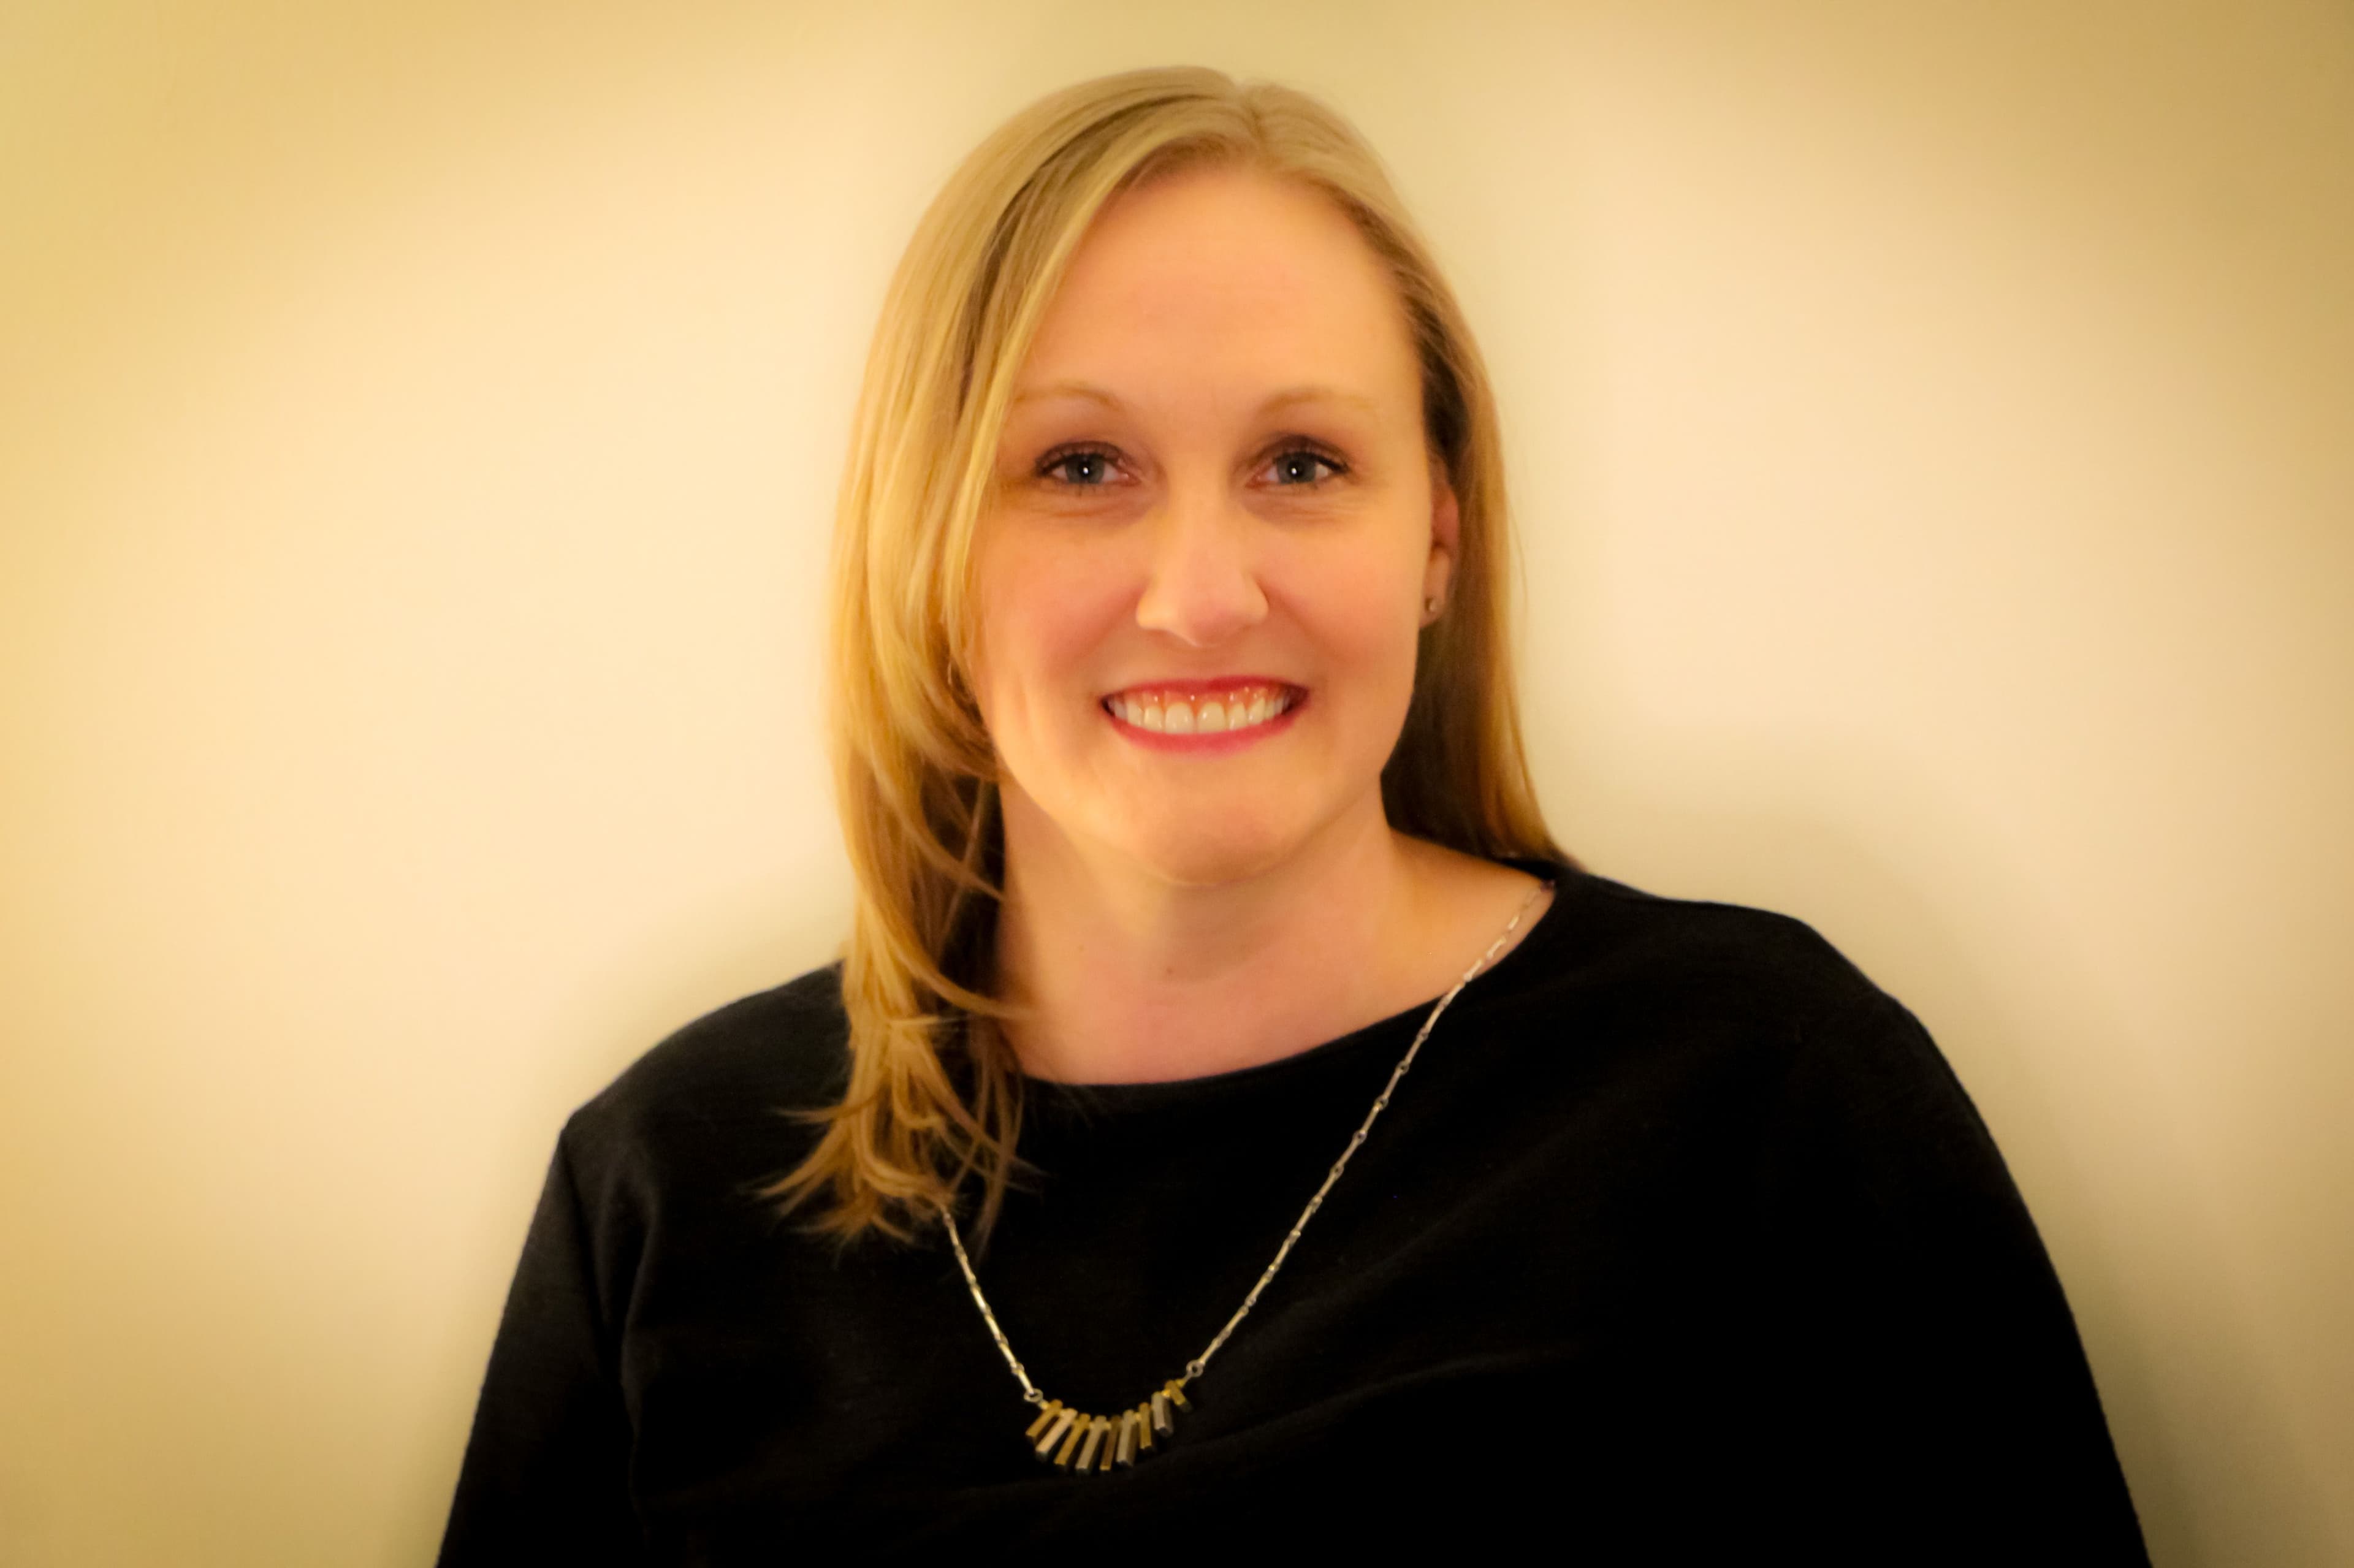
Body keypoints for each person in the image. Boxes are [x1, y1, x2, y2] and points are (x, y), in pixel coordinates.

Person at [437, 67, 2149, 1561]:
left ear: (1438, 541)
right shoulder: (667, 1182)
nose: (1198, 595)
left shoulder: (1769, 1101)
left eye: (1303, 464)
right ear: (931, 548)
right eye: (1081, 467)